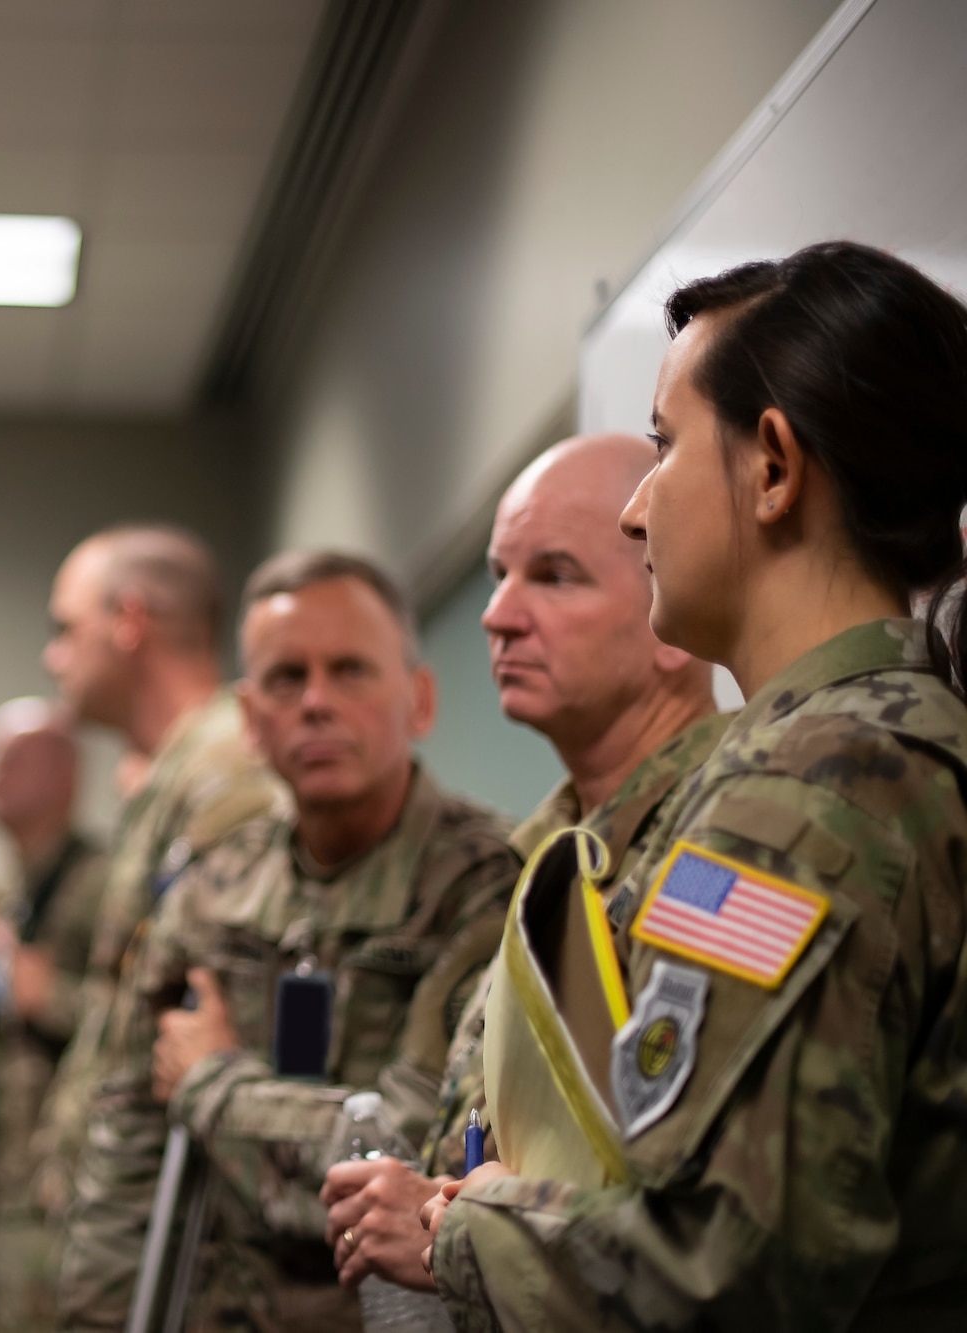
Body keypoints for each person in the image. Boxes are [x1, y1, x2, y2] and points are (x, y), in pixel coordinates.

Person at [424, 241, 967, 1327]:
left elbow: (716, 1273)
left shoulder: (815, 789)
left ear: (771, 467)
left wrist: (459, 1227)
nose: (634, 511)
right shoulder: (875, 746)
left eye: (663, 448)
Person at [318, 433, 723, 1297]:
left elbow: (694, 1232)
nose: (497, 613)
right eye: (500, 572)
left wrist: (450, 1231)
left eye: (554, 575)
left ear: (671, 613)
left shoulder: (721, 843)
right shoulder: (550, 856)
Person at [95, 552, 519, 1330]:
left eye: (350, 670)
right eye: (287, 678)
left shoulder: (492, 885)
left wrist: (213, 1083)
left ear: (418, 700)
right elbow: (128, 1142)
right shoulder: (209, 887)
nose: (316, 702)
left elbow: (412, 1153)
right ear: (251, 720)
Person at [34, 525, 280, 1316]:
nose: (53, 656)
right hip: (129, 1232)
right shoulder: (176, 773)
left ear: (129, 620)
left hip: (182, 1254)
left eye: (65, 628)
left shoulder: (226, 771)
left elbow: (213, 1017)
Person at [0, 699, 111, 1333]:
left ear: (66, 772)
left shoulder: (105, 886)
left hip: (69, 1197)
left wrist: (47, 995)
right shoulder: (7, 895)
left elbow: (145, 1029)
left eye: (13, 757)